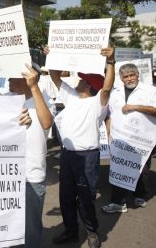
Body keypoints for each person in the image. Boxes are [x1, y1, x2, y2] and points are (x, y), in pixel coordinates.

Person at [49, 47, 115, 248]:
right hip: (67, 156)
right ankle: (70, 231)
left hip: (87, 157)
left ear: (90, 85)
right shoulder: (71, 96)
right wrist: (52, 55)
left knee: (85, 198)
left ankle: (91, 231)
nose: (78, 81)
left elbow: (106, 87)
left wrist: (110, 62)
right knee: (66, 196)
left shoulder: (98, 102)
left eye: (82, 80)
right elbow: (54, 76)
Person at [8, 63, 55, 248]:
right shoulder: (8, 100)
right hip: (7, 175)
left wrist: (34, 87)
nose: (8, 81)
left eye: (12, 77)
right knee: (10, 226)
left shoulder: (43, 100)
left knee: (31, 229)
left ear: (26, 79)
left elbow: (46, 123)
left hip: (32, 176)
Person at [101, 63, 156, 213]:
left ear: (138, 75)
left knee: (139, 168)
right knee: (118, 168)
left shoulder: (150, 91)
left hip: (142, 140)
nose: (129, 78)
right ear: (121, 78)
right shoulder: (115, 93)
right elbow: (110, 116)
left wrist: (134, 107)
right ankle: (118, 202)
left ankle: (139, 195)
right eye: (126, 76)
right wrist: (108, 136)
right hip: (119, 139)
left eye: (132, 75)